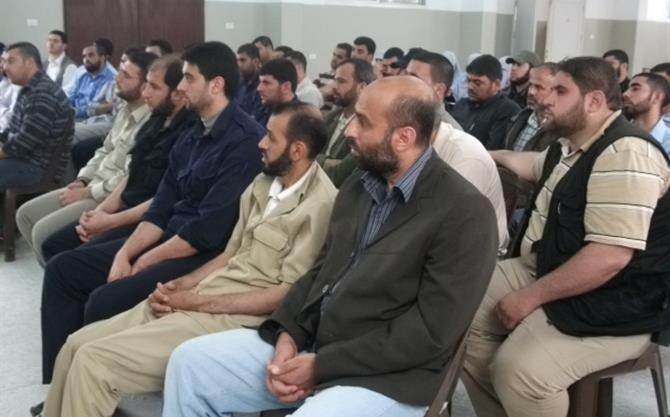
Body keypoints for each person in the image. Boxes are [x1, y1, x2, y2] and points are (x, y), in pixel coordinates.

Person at [161, 76, 498, 417]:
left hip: (387, 376)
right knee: (190, 364)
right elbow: (322, 272)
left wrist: (322, 365)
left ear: (404, 138)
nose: (349, 130)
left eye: (363, 122)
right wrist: (288, 334)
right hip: (317, 344)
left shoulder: (465, 212)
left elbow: (430, 333)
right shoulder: (360, 185)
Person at [39, 101, 337, 417]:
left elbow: (285, 294)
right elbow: (230, 254)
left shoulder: (320, 206)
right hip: (206, 294)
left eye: (271, 138)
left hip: (235, 316)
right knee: (74, 346)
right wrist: (180, 286)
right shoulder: (263, 183)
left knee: (93, 362)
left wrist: (196, 302)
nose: (261, 143)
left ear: (297, 150)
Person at [39, 41, 266, 385]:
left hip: (201, 253)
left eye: (189, 78)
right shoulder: (193, 131)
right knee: (63, 269)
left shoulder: (245, 141)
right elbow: (161, 206)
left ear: (216, 85)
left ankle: (95, 388)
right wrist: (125, 254)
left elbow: (205, 231)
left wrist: (143, 260)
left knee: (103, 301)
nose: (181, 87)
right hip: (168, 235)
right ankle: (60, 383)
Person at [463, 56, 670, 417]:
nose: (544, 98)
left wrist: (529, 298)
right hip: (551, 264)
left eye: (560, 91)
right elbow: (530, 164)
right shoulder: (571, 144)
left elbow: (610, 257)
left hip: (617, 296)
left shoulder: (625, 152)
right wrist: (480, 152)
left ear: (594, 101)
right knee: (458, 312)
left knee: (520, 373)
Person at [40, 55, 197, 262]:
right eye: (147, 84)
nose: (145, 92)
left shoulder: (188, 134)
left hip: (147, 218)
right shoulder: (156, 121)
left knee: (66, 262)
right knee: (53, 245)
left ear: (177, 94)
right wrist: (99, 212)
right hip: (122, 204)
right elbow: (131, 175)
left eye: (154, 87)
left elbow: (162, 200)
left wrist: (108, 220)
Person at [16, 51, 155, 266]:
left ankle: (60, 277)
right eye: (120, 72)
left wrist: (87, 192)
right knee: (25, 215)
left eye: (126, 76)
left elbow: (127, 177)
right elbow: (104, 150)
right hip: (93, 184)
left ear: (146, 84)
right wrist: (83, 179)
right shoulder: (125, 110)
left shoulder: (151, 122)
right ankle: (54, 273)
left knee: (42, 233)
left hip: (107, 196)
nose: (117, 78)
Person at [0, 42, 73, 191]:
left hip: (36, 167)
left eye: (11, 61)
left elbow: (23, 143)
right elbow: (11, 130)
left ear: (29, 63)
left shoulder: (43, 93)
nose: (4, 67)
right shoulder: (29, 89)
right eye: (4, 61)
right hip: (23, 160)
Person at [452, 54, 520, 149]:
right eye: (468, 81)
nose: (470, 87)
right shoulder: (461, 104)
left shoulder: (507, 110)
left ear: (497, 84)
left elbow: (492, 150)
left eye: (477, 83)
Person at [503, 63, 559, 152]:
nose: (531, 92)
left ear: (556, 91)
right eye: (530, 85)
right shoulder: (519, 118)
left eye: (539, 87)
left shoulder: (561, 129)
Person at [622, 72, 670, 154]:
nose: (625, 94)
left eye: (635, 89)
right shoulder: (617, 134)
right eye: (627, 89)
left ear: (657, 97)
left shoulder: (668, 143)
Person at [69, 44, 116, 122]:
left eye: (91, 55)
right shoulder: (83, 76)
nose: (86, 59)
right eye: (84, 56)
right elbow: (72, 97)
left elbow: (93, 107)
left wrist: (74, 112)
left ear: (102, 58)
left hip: (90, 120)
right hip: (72, 115)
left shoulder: (110, 79)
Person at [257, 58, 298, 127]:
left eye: (266, 83)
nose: (259, 88)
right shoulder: (264, 108)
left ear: (286, 87)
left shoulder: (299, 121)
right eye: (260, 82)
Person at [235, 43, 264, 122]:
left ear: (256, 62)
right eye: (237, 60)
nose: (238, 64)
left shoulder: (263, 85)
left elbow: (256, 117)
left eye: (243, 60)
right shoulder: (239, 83)